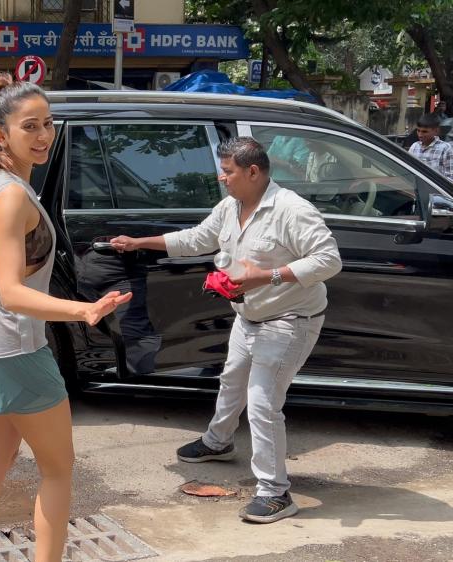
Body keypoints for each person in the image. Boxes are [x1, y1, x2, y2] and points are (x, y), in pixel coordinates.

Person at [110, 137, 342, 524]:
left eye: (228, 171)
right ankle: (218, 442)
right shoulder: (231, 206)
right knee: (232, 380)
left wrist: (266, 276)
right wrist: (139, 243)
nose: (222, 178)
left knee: (264, 403)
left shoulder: (291, 210)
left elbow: (329, 260)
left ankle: (275, 493)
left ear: (252, 172)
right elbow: (197, 239)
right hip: (249, 317)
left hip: (289, 321)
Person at [0, 74, 131, 562]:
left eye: (48, 124)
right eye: (29, 126)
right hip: (15, 352)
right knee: (57, 470)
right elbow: (10, 291)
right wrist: (85, 309)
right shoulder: (10, 197)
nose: (43, 136)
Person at [409, 113, 453, 182]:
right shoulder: (414, 146)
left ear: (436, 131)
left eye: (424, 132)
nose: (420, 135)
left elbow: (451, 177)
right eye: (418, 131)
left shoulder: (445, 148)